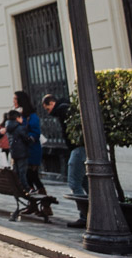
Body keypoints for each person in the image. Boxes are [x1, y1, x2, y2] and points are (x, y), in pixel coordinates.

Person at [43, 93, 86, 227]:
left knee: (74, 182)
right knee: (85, 183)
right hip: (78, 148)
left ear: (51, 103)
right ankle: (93, 213)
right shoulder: (66, 108)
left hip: (78, 149)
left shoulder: (63, 110)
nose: (48, 113)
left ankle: (85, 216)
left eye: (47, 109)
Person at [14, 91, 45, 195]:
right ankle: (33, 204)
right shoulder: (18, 115)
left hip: (32, 151)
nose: (13, 101)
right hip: (22, 152)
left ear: (21, 100)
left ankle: (45, 202)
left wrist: (22, 128)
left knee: (32, 176)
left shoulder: (32, 116)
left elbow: (35, 134)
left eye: (15, 99)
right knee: (27, 178)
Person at [4, 110, 32, 191]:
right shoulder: (20, 127)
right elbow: (26, 139)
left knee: (17, 171)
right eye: (21, 117)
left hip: (14, 152)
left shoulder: (8, 127)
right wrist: (31, 140)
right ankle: (25, 188)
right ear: (17, 118)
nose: (22, 119)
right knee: (22, 171)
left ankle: (17, 186)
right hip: (22, 152)